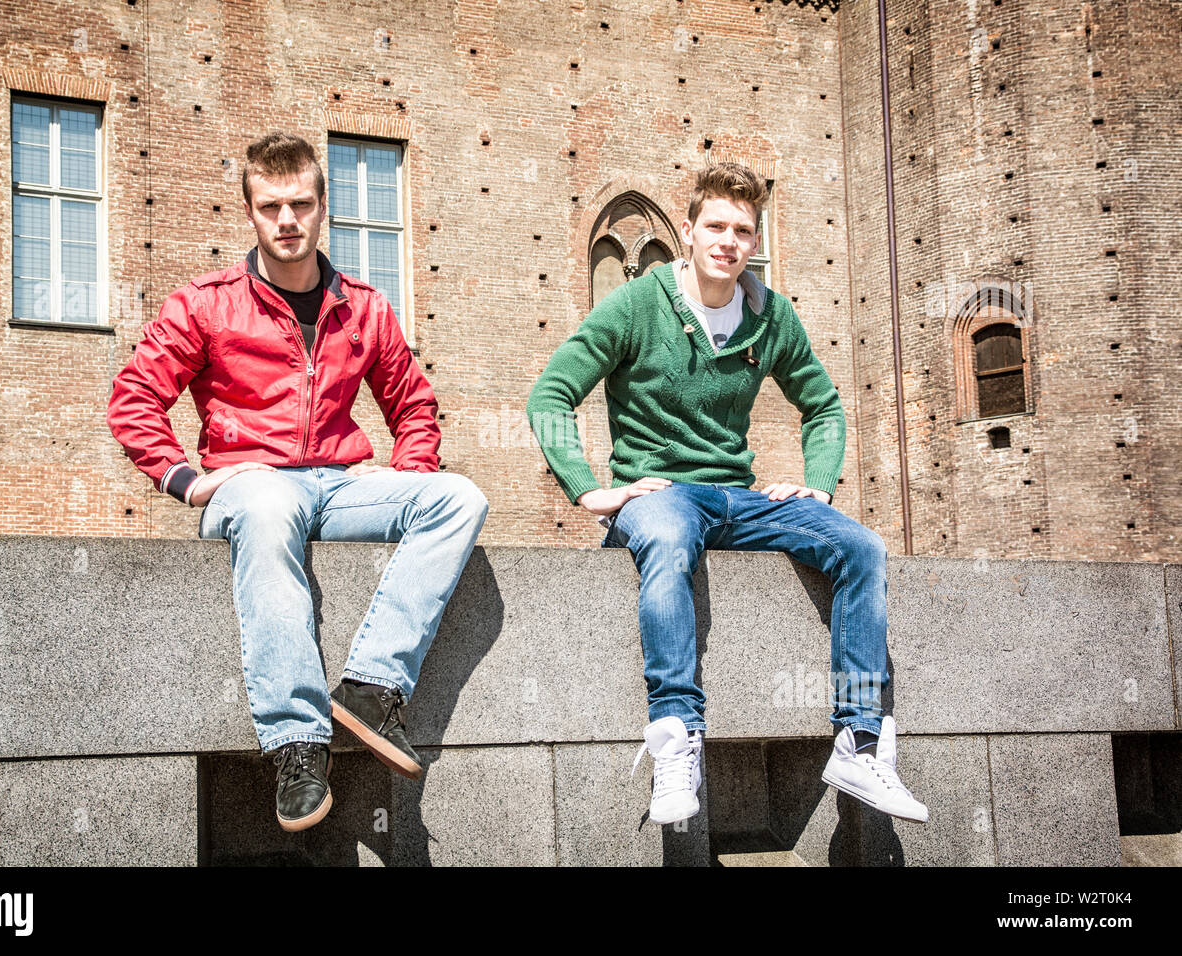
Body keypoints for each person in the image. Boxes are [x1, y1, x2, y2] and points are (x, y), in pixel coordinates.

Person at [108, 132, 488, 832]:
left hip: (338, 483)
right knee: (269, 500)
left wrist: (406, 482)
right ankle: (296, 743)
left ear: (323, 209)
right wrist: (190, 483)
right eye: (271, 207)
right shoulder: (206, 305)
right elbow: (134, 397)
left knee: (459, 497)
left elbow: (414, 405)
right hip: (247, 484)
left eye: (301, 205)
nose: (287, 220)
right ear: (251, 214)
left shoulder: (365, 308)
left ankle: (373, 685)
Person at [526, 163, 926, 826]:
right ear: (687, 230)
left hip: (738, 496)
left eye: (744, 230)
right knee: (668, 537)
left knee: (860, 547)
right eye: (716, 225)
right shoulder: (636, 305)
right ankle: (676, 737)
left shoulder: (770, 314)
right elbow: (551, 395)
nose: (729, 240)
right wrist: (588, 488)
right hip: (662, 492)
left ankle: (858, 743)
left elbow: (823, 406)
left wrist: (818, 484)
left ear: (754, 240)